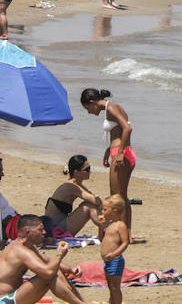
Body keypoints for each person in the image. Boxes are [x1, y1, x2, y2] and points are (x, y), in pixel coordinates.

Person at [0, 214, 90, 304]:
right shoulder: (20, 251)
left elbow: (48, 262)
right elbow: (48, 272)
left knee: (55, 270)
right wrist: (59, 255)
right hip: (4, 300)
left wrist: (71, 269)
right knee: (50, 276)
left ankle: (82, 302)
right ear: (28, 232)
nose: (44, 232)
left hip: (12, 296)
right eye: (40, 229)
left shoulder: (27, 247)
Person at [79, 88, 135, 229]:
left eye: (87, 108)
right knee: (122, 197)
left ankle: (120, 232)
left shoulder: (111, 108)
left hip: (121, 154)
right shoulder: (114, 107)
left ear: (92, 102)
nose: (89, 112)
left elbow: (127, 129)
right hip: (125, 151)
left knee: (115, 198)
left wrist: (119, 152)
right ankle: (127, 233)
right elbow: (119, 132)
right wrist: (109, 150)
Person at [43, 155, 102, 237]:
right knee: (88, 206)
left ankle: (106, 228)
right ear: (76, 172)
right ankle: (107, 228)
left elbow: (94, 199)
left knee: (88, 204)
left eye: (90, 168)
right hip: (55, 229)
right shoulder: (71, 186)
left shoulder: (76, 185)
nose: (90, 172)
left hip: (57, 225)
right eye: (86, 169)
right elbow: (97, 201)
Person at [93, 194, 130, 304]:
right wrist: (100, 226)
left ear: (114, 211)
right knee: (110, 286)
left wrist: (114, 254)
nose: (102, 212)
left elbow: (125, 242)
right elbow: (101, 239)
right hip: (107, 261)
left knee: (115, 287)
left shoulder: (120, 225)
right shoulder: (108, 225)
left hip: (115, 260)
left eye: (105, 209)